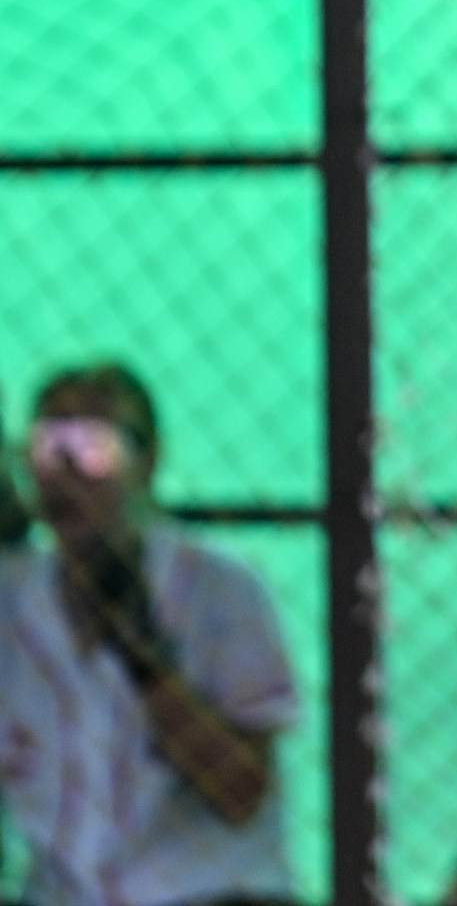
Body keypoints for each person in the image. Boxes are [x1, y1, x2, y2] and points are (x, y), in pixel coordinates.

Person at [0, 364, 299, 906]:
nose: (66, 471)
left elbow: (240, 795)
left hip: (208, 894)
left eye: (92, 446)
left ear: (148, 460)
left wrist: (148, 666)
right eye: (47, 447)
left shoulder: (221, 593)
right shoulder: (13, 600)